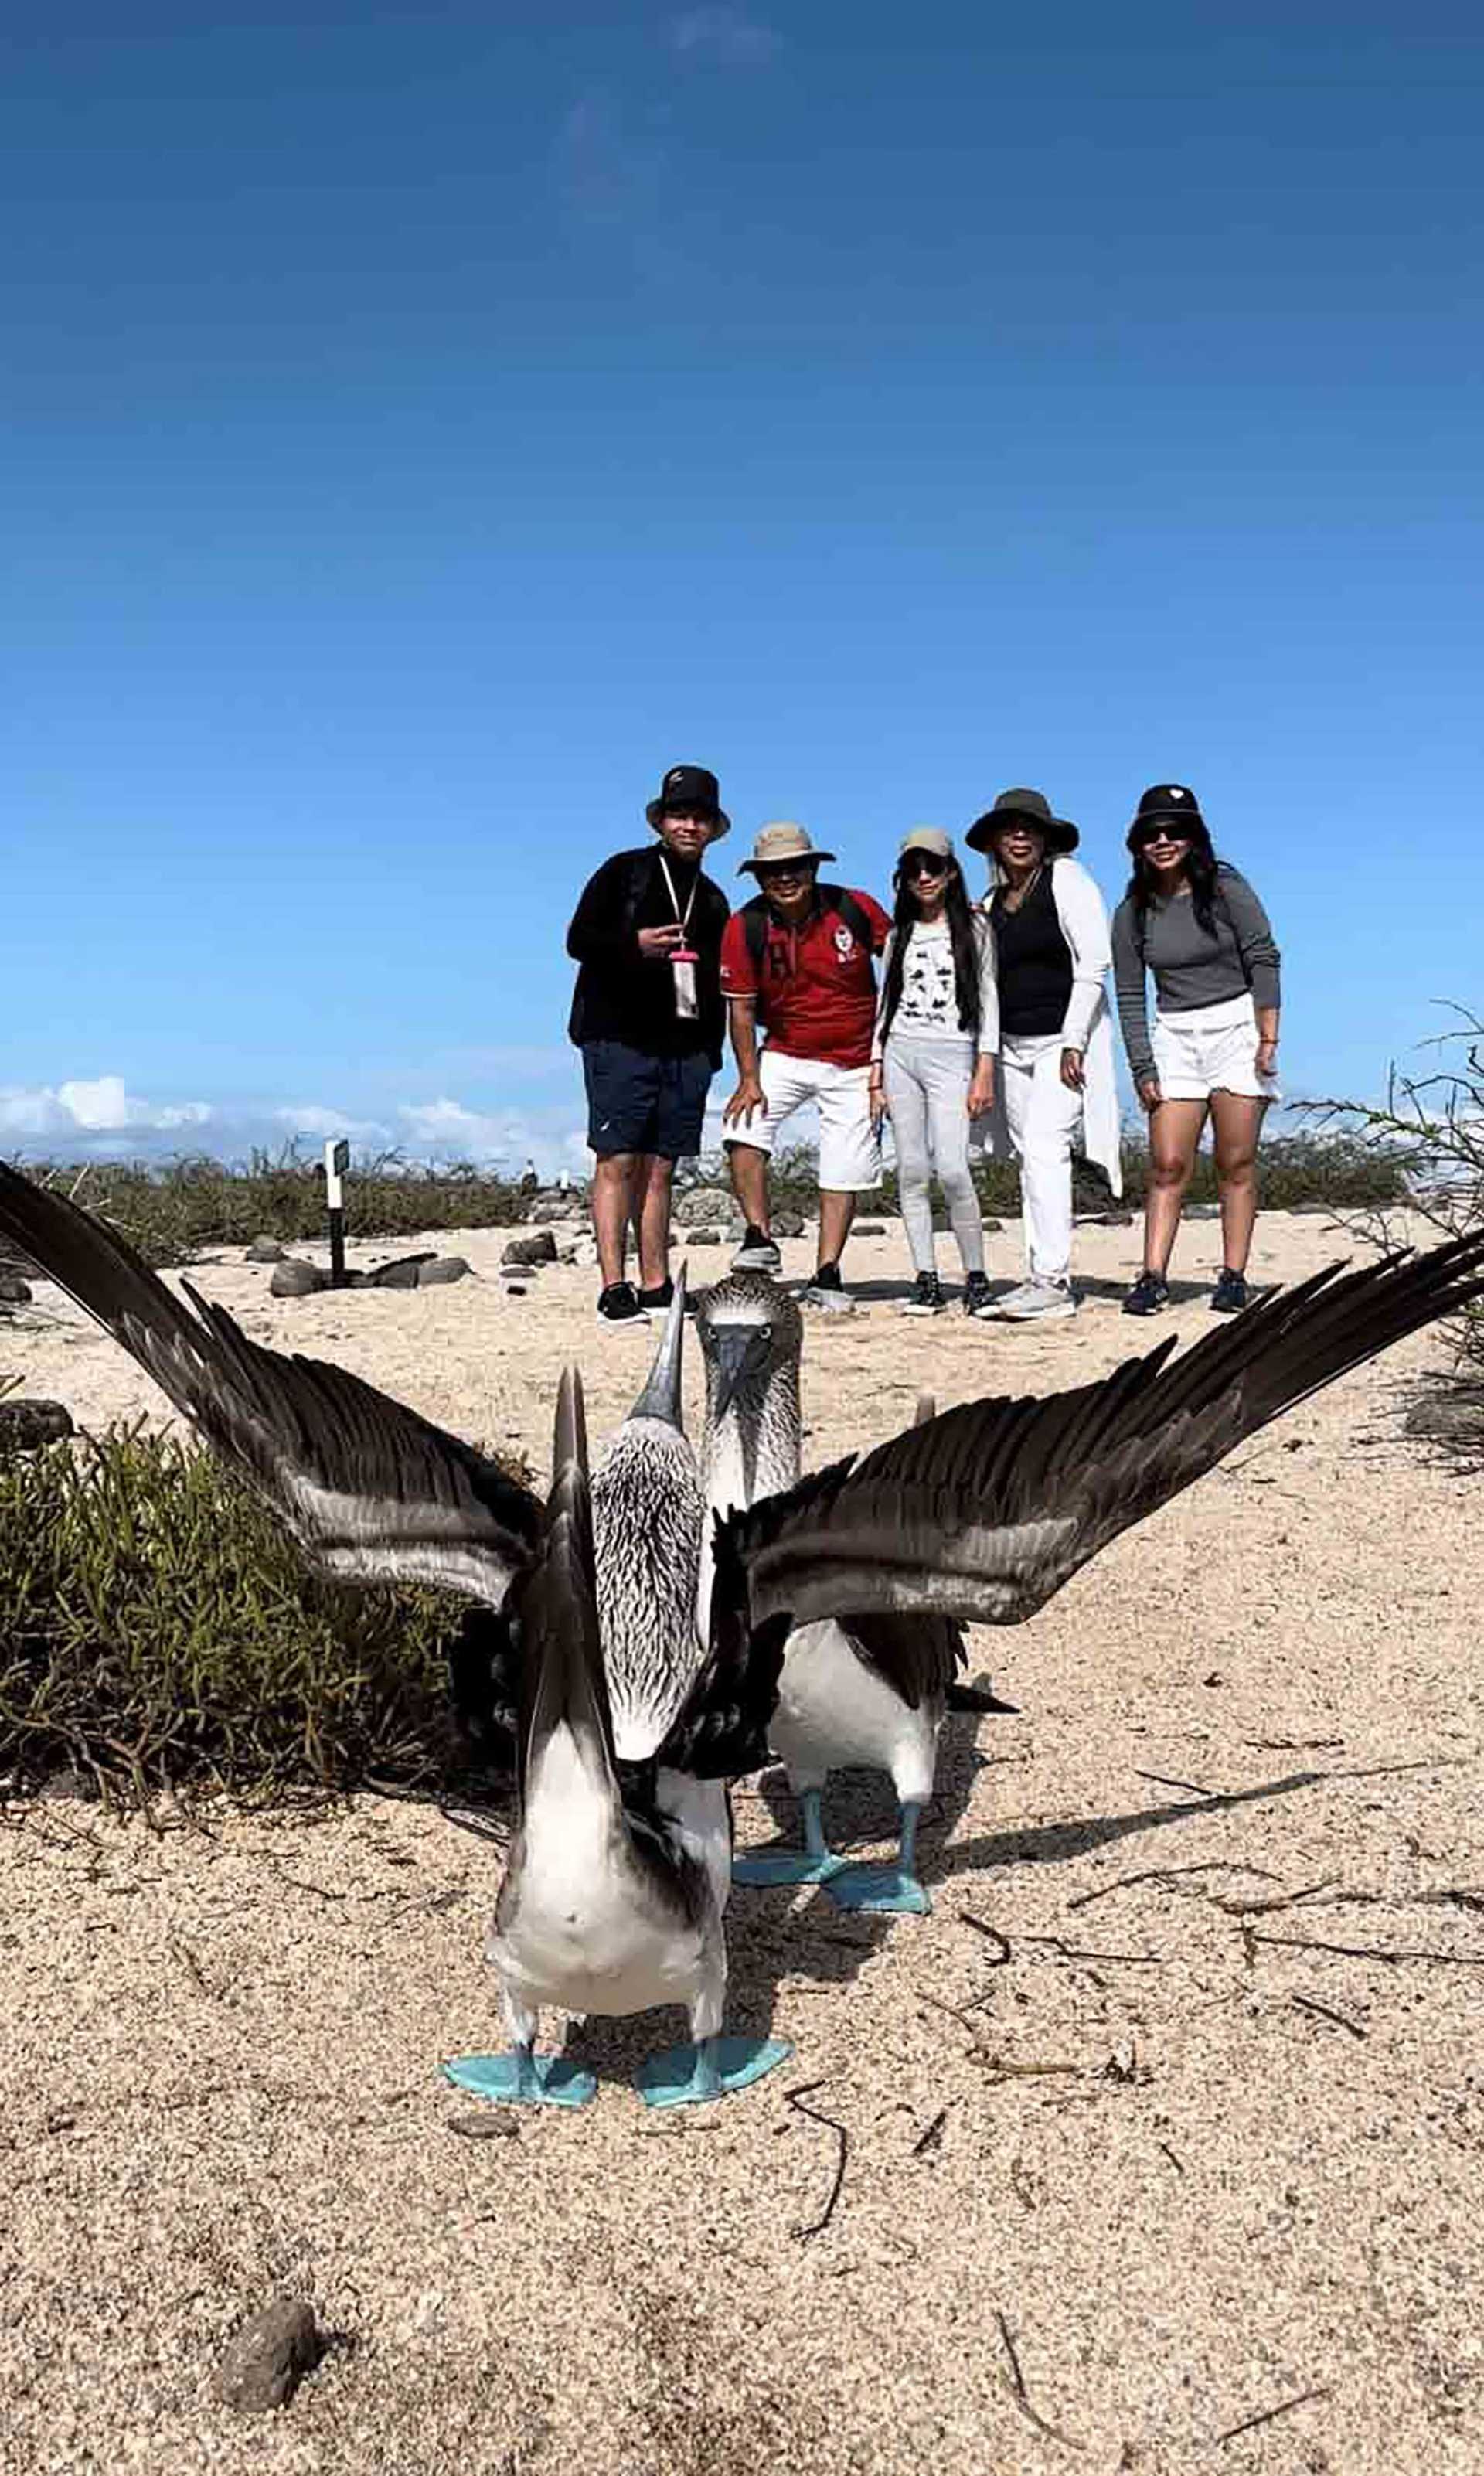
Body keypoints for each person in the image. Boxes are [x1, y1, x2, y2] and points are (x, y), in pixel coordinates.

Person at [566, 763, 731, 1324]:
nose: (689, 825)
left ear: (712, 827)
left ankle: (656, 1284)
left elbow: (716, 984)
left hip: (684, 1049)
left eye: (700, 817)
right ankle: (615, 1287)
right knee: (617, 1158)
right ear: (662, 820)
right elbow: (577, 939)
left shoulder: (712, 899)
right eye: (680, 814)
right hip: (617, 1037)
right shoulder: (624, 872)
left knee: (662, 1167)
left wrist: (712, 1054)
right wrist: (633, 943)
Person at [1111, 782, 1281, 1316]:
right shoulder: (1133, 910)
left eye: (1175, 830)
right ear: (1138, 843)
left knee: (1235, 1159)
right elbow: (1130, 992)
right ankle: (1153, 1276)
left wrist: (1268, 1034)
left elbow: (1264, 955)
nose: (1164, 841)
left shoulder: (1228, 889)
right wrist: (1142, 1064)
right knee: (1167, 1162)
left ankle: (1233, 1275)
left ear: (1194, 837)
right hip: (1175, 1034)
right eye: (1152, 833)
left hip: (1235, 1025)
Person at [966, 788, 1123, 1322]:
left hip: (1063, 1044)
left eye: (1029, 827)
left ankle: (1053, 1280)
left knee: (1044, 1147)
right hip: (1011, 1047)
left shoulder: (1067, 881)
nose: (1019, 836)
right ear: (993, 840)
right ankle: (1039, 1274)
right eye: (1008, 828)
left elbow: (1095, 963)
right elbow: (984, 987)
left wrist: (1075, 1038)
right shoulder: (988, 906)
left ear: (1044, 837)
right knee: (1029, 1163)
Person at [720, 822, 891, 1310]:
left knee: (845, 1163)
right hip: (786, 1051)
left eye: (794, 867)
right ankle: (758, 1237)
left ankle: (828, 1272)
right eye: (772, 871)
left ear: (814, 868)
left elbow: (903, 960)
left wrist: (891, 1062)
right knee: (743, 1128)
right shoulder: (745, 925)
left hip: (858, 1059)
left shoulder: (853, 907)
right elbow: (742, 1009)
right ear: (758, 878)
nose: (784, 878)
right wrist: (749, 1078)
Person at [869, 828, 998, 1316]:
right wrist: (876, 1070)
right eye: (913, 869)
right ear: (902, 878)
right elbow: (886, 1003)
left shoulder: (976, 928)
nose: (924, 877)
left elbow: (989, 999)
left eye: (933, 867)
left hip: (955, 1055)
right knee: (912, 1171)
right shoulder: (898, 934)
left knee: (953, 1169)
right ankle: (925, 1278)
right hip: (901, 1053)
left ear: (950, 872)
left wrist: (985, 1068)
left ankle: (977, 1278)